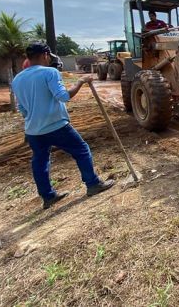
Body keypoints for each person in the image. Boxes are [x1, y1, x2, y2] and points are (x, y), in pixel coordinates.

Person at [12, 42, 114, 209]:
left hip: (33, 130)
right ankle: (93, 184)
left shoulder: (17, 79)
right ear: (45, 55)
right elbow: (64, 96)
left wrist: (35, 116)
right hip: (56, 125)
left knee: (40, 161)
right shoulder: (50, 72)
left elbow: (21, 109)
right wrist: (81, 81)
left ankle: (48, 196)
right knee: (81, 150)